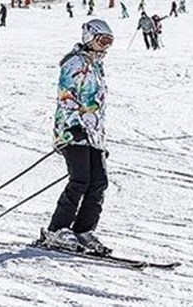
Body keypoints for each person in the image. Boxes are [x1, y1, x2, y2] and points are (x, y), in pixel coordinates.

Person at [41, 19, 114, 256]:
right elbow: (67, 95)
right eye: (103, 40)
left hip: (93, 135)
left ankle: (83, 230)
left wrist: (100, 138)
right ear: (89, 37)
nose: (105, 47)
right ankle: (57, 229)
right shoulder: (75, 62)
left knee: (99, 182)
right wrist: (73, 126)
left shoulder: (96, 66)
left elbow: (97, 104)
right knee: (80, 179)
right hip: (71, 131)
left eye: (109, 42)